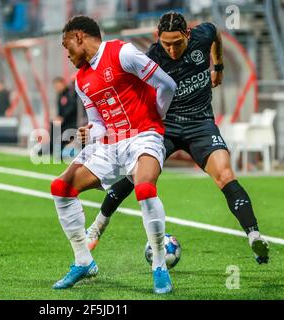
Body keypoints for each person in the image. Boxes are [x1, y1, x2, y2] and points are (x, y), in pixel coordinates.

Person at [86, 12, 270, 264]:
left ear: (188, 34)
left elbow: (216, 32)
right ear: (158, 39)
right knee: (135, 177)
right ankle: (97, 226)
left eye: (177, 43)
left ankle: (254, 236)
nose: (172, 50)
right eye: (166, 44)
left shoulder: (202, 36)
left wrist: (218, 67)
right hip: (165, 127)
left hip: (201, 125)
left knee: (225, 175)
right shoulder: (151, 57)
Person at [50, 15, 177, 294]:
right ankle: (84, 261)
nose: (66, 52)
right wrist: (89, 133)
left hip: (144, 136)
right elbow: (99, 123)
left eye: (66, 44)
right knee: (61, 187)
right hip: (111, 143)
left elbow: (167, 84)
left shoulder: (123, 53)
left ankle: (159, 264)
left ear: (80, 37)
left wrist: (156, 117)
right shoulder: (81, 80)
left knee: (144, 188)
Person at [50, 77, 78, 156]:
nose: (57, 88)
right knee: (53, 124)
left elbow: (72, 108)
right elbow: (60, 112)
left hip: (72, 123)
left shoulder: (70, 93)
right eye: (56, 87)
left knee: (58, 130)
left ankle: (56, 149)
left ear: (63, 84)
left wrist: (63, 117)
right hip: (64, 123)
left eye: (58, 86)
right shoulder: (60, 96)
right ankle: (53, 147)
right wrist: (58, 117)